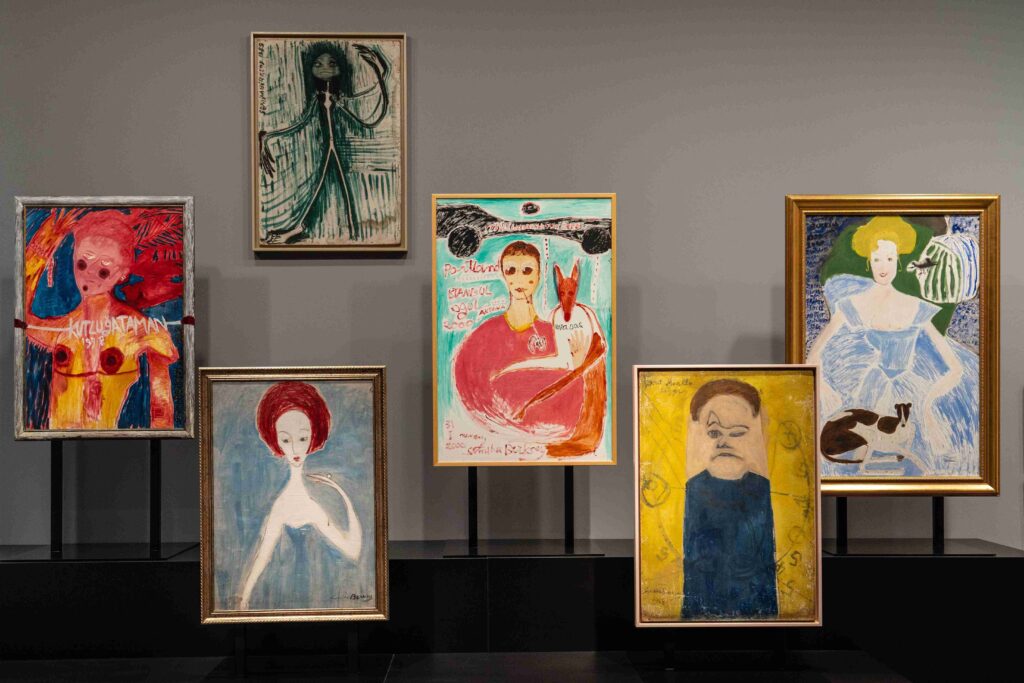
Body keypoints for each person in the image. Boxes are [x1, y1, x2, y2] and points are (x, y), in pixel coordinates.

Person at [807, 216, 978, 475]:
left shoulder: (916, 307)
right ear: (869, 262)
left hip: (912, 396)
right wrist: (825, 388)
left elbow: (955, 368)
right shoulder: (853, 305)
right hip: (870, 390)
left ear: (898, 260)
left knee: (919, 462)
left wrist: (928, 406)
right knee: (858, 457)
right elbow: (813, 356)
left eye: (888, 258)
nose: (883, 266)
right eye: (877, 259)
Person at [23, 208, 179, 430]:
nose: (89, 275)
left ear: (123, 272)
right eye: (82, 264)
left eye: (103, 270)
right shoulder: (62, 330)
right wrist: (41, 250)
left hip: (120, 441)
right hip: (64, 437)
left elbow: (161, 410)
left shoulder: (142, 331)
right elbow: (23, 320)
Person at [452, 241, 603, 452]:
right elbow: (470, 391)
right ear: (503, 274)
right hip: (493, 443)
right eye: (511, 270)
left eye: (527, 271)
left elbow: (574, 406)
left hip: (548, 439)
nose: (519, 279)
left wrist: (578, 369)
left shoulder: (555, 333)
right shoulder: (482, 337)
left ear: (539, 275)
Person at [238, 381, 362, 611]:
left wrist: (342, 495)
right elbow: (263, 556)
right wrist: (243, 600)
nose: (295, 450)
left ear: (313, 436)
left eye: (302, 438)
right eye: (286, 440)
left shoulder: (313, 503)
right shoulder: (283, 505)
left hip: (325, 600)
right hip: (285, 601)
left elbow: (353, 551)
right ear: (275, 440)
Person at [258, 42, 391, 245]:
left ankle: (342, 232)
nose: (325, 68)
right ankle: (320, 229)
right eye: (318, 64)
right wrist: (267, 136)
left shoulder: (341, 99)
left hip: (334, 148)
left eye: (332, 63)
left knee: (335, 187)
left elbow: (370, 118)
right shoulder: (317, 100)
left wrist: (381, 69)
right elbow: (300, 123)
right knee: (326, 186)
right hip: (328, 148)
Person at [682, 379, 778, 620]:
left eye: (736, 433)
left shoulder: (761, 489)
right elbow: (693, 566)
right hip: (701, 610)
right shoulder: (694, 489)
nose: (723, 442)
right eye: (714, 432)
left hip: (758, 610)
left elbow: (765, 564)